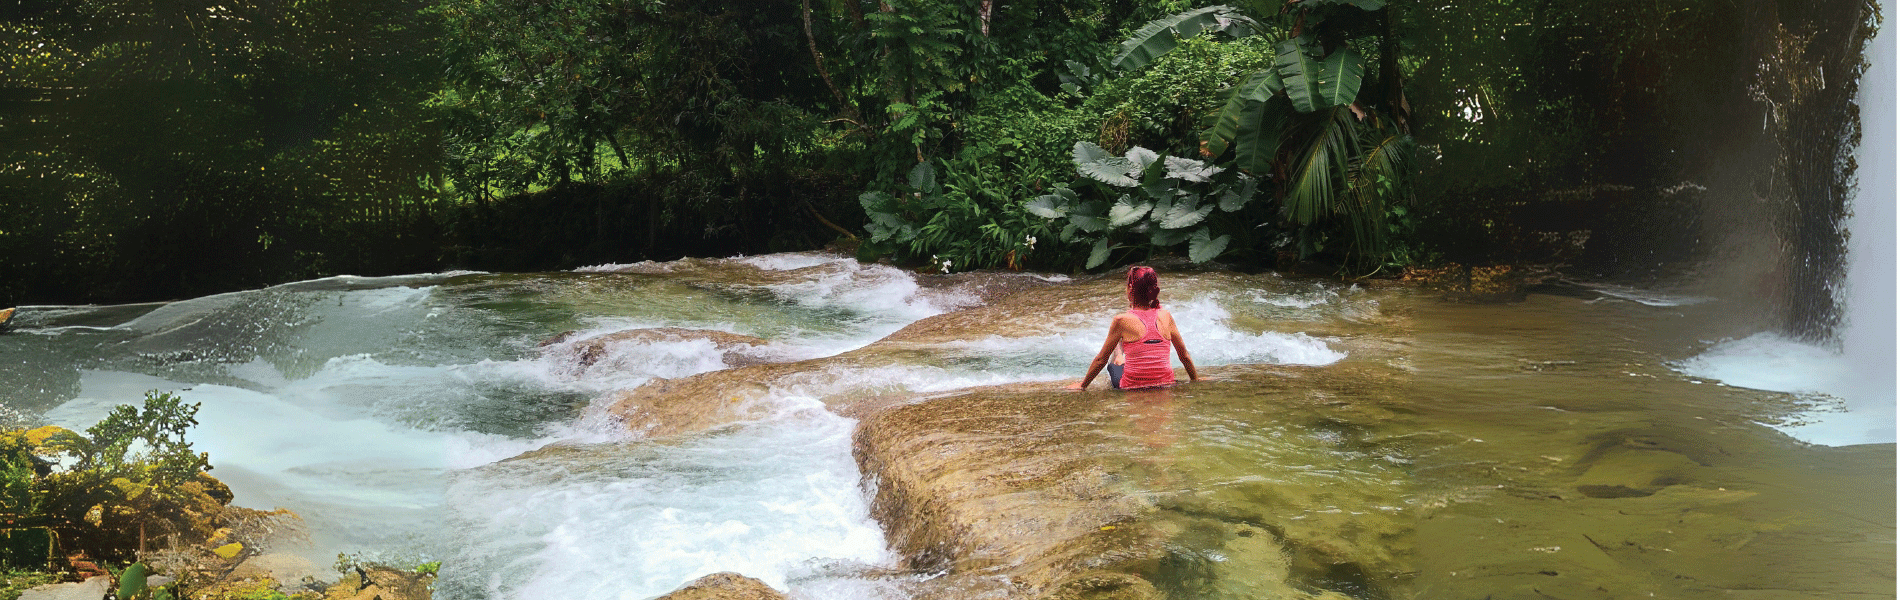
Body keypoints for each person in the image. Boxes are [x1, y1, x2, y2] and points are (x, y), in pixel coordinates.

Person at [1066, 266, 1199, 390]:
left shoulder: (1121, 320)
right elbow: (1184, 356)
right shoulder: (1166, 315)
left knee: (1113, 366)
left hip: (1131, 385)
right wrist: (1195, 379)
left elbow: (1101, 360)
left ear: (1130, 289)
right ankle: (1119, 351)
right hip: (1165, 382)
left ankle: (1118, 355)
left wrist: (1082, 385)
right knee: (1125, 332)